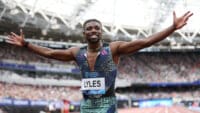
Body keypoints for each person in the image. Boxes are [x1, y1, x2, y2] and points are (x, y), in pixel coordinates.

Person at [7, 11, 193, 113]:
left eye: (97, 27)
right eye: (89, 28)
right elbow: (49, 52)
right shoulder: (76, 52)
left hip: (107, 105)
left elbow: (146, 42)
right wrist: (26, 44)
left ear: (101, 32)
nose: (93, 30)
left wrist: (172, 28)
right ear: (84, 33)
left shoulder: (113, 49)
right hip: (87, 106)